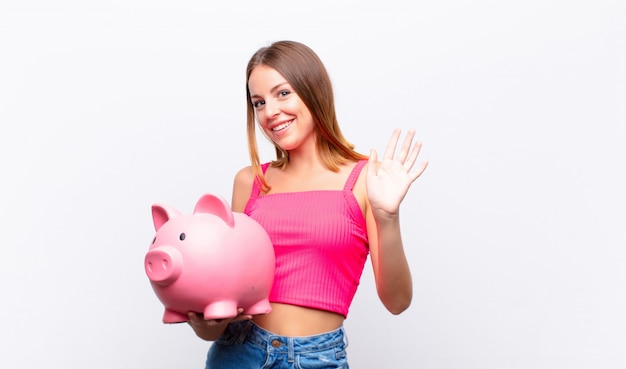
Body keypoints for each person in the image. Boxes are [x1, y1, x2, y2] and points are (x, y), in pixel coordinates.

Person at [187, 40, 428, 369]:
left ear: (313, 91)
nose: (270, 112)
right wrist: (206, 325)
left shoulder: (365, 181)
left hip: (316, 357)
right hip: (239, 351)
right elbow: (230, 296)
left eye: (282, 93)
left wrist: (388, 216)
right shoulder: (249, 182)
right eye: (259, 102)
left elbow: (398, 302)